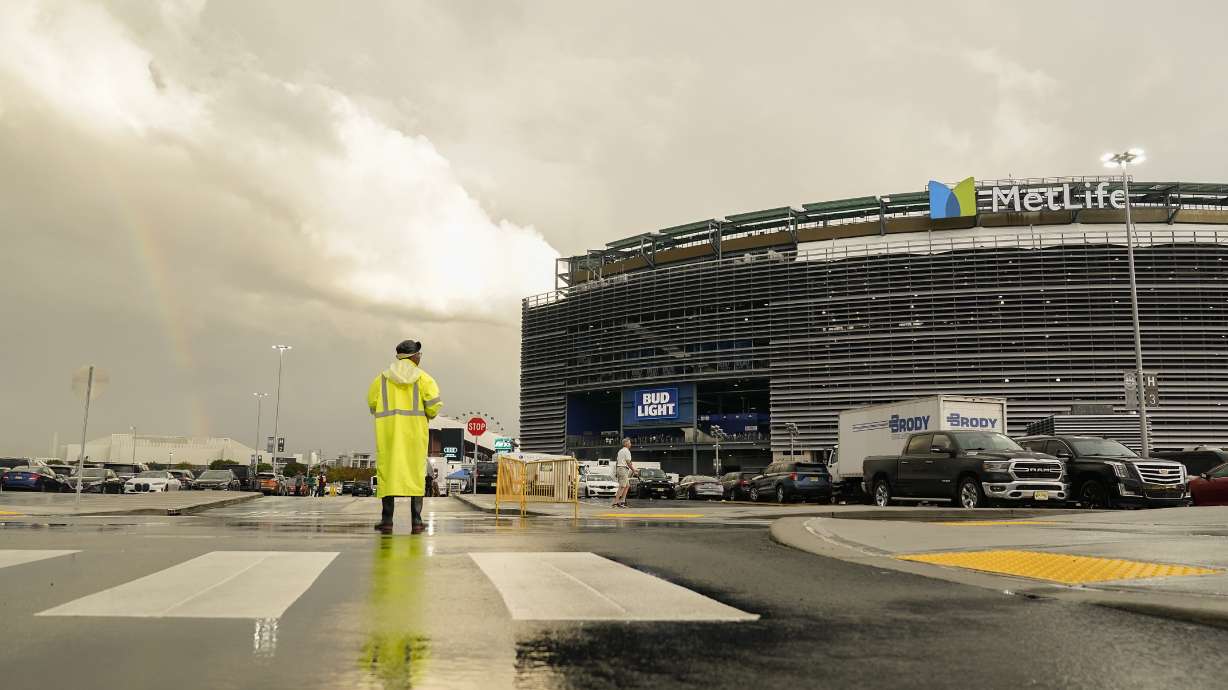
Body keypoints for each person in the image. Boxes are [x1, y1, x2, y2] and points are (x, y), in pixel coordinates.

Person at [367, 339, 443, 534]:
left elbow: (372, 405)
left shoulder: (381, 379)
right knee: (416, 474)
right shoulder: (425, 379)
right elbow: (434, 408)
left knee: (388, 473)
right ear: (413, 356)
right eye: (419, 354)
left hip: (388, 435)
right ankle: (417, 521)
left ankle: (386, 521)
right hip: (414, 436)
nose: (420, 357)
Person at [612, 438, 635, 509]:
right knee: (622, 486)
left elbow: (617, 461)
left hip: (620, 468)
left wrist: (617, 471)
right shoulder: (627, 451)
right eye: (629, 442)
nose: (630, 444)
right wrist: (634, 470)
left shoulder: (620, 451)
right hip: (623, 469)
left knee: (627, 485)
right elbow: (628, 462)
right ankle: (615, 503)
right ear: (626, 444)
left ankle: (622, 501)